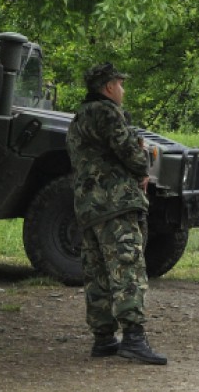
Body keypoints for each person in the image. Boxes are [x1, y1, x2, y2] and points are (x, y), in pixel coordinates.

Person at [66, 63, 167, 365]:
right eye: (121, 84)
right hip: (115, 203)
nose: (123, 90)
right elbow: (129, 152)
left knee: (97, 271)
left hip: (88, 205)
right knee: (127, 265)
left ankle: (103, 337)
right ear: (109, 87)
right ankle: (134, 337)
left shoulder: (79, 117)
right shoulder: (108, 112)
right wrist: (143, 166)